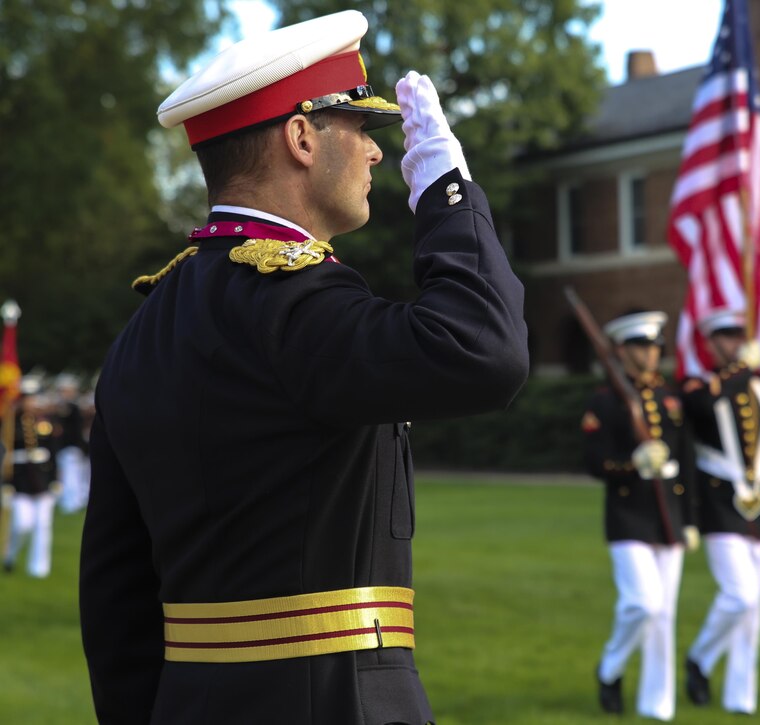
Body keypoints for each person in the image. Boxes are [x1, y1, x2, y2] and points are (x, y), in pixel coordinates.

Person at [79, 10, 529, 725]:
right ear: (300, 136)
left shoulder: (144, 330)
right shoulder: (295, 300)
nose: (377, 154)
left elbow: (115, 596)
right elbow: (484, 348)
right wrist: (447, 192)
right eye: (358, 128)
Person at [583, 310, 694, 721]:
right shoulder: (604, 400)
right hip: (628, 517)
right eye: (641, 346)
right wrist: (633, 463)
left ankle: (657, 704)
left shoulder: (669, 398)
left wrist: (691, 520)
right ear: (621, 350)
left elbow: (688, 461)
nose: (650, 353)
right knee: (643, 604)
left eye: (653, 346)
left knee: (665, 614)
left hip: (669, 517)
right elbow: (594, 463)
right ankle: (610, 667)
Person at [682, 307, 760, 715]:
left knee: (753, 606)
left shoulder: (757, 387)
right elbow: (704, 408)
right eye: (725, 337)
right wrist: (743, 367)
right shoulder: (696, 385)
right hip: (719, 502)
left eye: (739, 335)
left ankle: (741, 697)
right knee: (739, 595)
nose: (734, 343)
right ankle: (701, 658)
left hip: (759, 503)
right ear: (709, 343)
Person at [3, 376, 59, 578]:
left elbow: (52, 452)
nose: (30, 402)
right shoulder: (9, 423)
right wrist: (5, 481)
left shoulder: (44, 422)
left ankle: (39, 568)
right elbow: (6, 453)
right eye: (26, 398)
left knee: (43, 525)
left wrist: (54, 479)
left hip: (42, 478)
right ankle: (10, 554)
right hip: (20, 479)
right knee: (22, 524)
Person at [53, 373, 89, 513]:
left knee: (73, 475)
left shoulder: (73, 408)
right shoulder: (60, 407)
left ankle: (73, 502)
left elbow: (76, 429)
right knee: (66, 475)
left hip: (72, 446)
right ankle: (70, 501)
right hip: (62, 447)